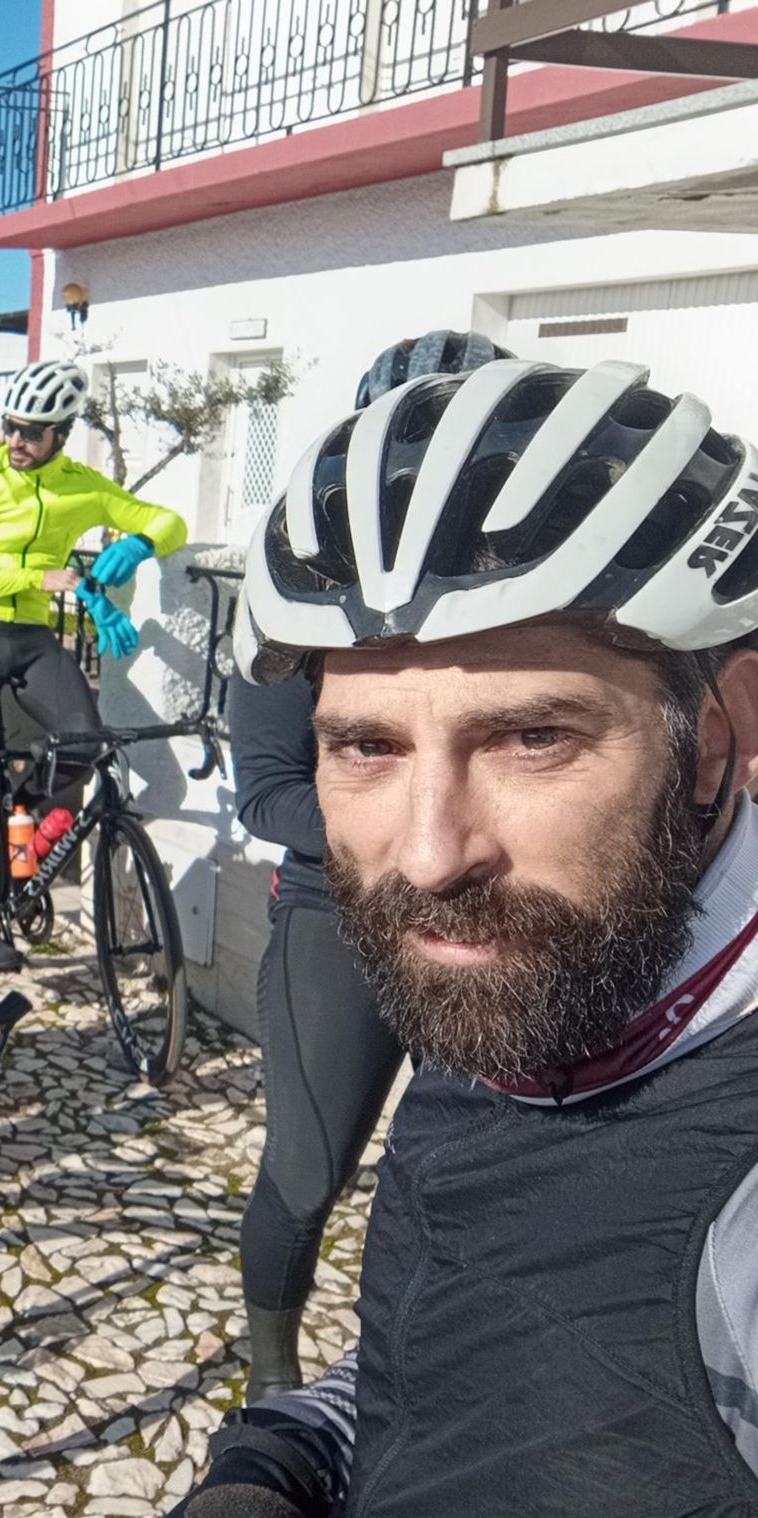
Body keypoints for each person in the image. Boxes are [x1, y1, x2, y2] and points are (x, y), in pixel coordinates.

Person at [170, 356, 758, 1515]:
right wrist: (283, 1457)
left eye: (532, 739)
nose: (431, 857)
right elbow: (448, 1362)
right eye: (365, 747)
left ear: (714, 737)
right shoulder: (545, 979)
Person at [230, 331, 516, 1401]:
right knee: (306, 1176)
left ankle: (435, 1366)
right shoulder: (300, 596)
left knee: (468, 1172)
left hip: (492, 918)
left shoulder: (524, 595)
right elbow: (266, 792)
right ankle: (271, 1376)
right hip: (339, 916)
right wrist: (409, 835)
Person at [0, 358, 187, 970]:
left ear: (61, 435)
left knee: (86, 741)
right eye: (10, 426)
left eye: (31, 431)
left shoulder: (82, 486)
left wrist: (140, 543)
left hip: (29, 637)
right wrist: (37, 577)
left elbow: (169, 521)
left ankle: (19, 813)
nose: (15, 440)